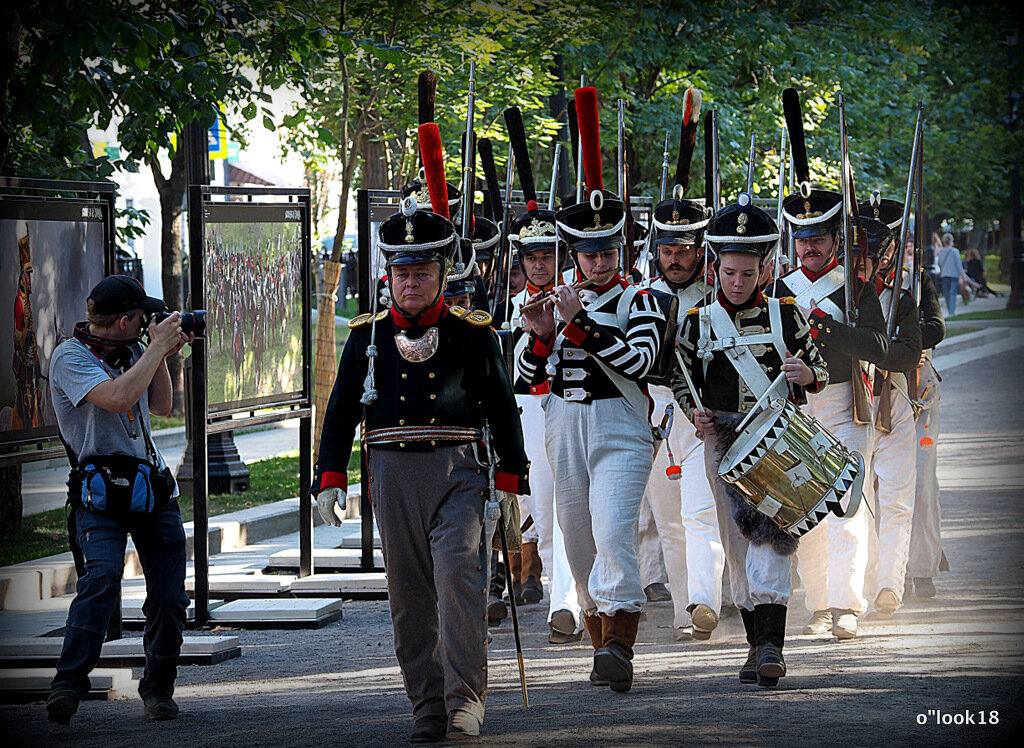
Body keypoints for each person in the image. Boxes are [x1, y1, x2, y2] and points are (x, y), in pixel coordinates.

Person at [312, 121, 529, 742]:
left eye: (423, 273)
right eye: (402, 274)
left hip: (458, 471)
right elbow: (341, 409)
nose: (412, 283)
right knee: (409, 600)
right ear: (389, 276)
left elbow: (502, 407)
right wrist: (329, 478)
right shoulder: (367, 336)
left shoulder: (473, 333)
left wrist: (510, 484)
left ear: (441, 272)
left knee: (460, 582)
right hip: (391, 474)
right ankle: (426, 705)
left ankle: (466, 701)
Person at [517, 84, 666, 693]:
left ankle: (622, 647)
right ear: (572, 251)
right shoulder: (552, 301)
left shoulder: (644, 299)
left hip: (621, 427)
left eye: (606, 252)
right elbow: (529, 381)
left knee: (612, 532)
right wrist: (546, 336)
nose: (597, 264)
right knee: (578, 545)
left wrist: (579, 323)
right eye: (587, 253)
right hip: (564, 424)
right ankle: (602, 642)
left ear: (620, 249)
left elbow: (640, 363)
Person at [673, 195, 828, 688]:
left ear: (764, 269)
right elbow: (681, 377)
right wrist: (690, 410)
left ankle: (771, 648)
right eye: (729, 273)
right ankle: (753, 645)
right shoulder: (697, 322)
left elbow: (817, 367)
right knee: (737, 545)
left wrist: (806, 373)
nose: (737, 283)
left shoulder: (786, 316)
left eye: (747, 274)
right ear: (716, 266)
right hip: (722, 444)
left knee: (775, 542)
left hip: (777, 438)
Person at [45, 275, 192, 725]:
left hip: (150, 486)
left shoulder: (133, 351)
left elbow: (162, 404)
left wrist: (163, 353)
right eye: (143, 317)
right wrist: (152, 349)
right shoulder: (70, 356)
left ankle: (158, 687)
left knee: (169, 595)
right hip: (98, 492)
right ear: (125, 320)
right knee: (102, 580)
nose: (149, 322)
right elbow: (118, 397)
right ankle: (68, 684)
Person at [773, 189, 889, 640]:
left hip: (845, 403)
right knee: (806, 513)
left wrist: (819, 323)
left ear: (835, 239)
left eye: (818, 237)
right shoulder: (779, 289)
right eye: (802, 238)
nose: (809, 247)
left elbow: (878, 347)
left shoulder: (855, 288)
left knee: (848, 506)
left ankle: (846, 604)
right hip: (800, 408)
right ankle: (818, 604)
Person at [503, 145, 584, 645]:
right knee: (547, 504)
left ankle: (585, 597)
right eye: (530, 257)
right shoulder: (513, 307)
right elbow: (516, 374)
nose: (538, 265)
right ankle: (563, 601)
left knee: (582, 508)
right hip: (534, 409)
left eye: (546, 255)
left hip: (578, 405)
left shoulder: (580, 295)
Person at [639, 188, 725, 642]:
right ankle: (682, 611)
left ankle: (706, 600)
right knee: (668, 519)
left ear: (699, 252)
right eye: (667, 251)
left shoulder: (714, 300)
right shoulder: (640, 297)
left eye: (683, 251)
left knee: (700, 511)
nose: (674, 260)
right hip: (653, 410)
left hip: (699, 413)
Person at [857, 199, 922, 618]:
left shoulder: (902, 297)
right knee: (855, 502)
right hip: (849, 402)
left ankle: (889, 584)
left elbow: (908, 355)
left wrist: (879, 349)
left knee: (896, 501)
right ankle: (860, 581)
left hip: (893, 400)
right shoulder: (839, 295)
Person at [903, 235, 947, 598]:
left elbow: (936, 327)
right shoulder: (857, 282)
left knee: (921, 482)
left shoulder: (916, 280)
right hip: (876, 389)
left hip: (918, 390)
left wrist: (902, 341)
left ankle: (922, 567)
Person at [936, 232, 964, 315]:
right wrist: (962, 275)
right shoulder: (955, 251)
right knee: (953, 294)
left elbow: (939, 263)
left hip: (944, 275)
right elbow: (958, 265)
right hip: (954, 275)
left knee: (947, 294)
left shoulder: (941, 252)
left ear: (943, 241)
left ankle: (949, 310)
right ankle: (952, 312)